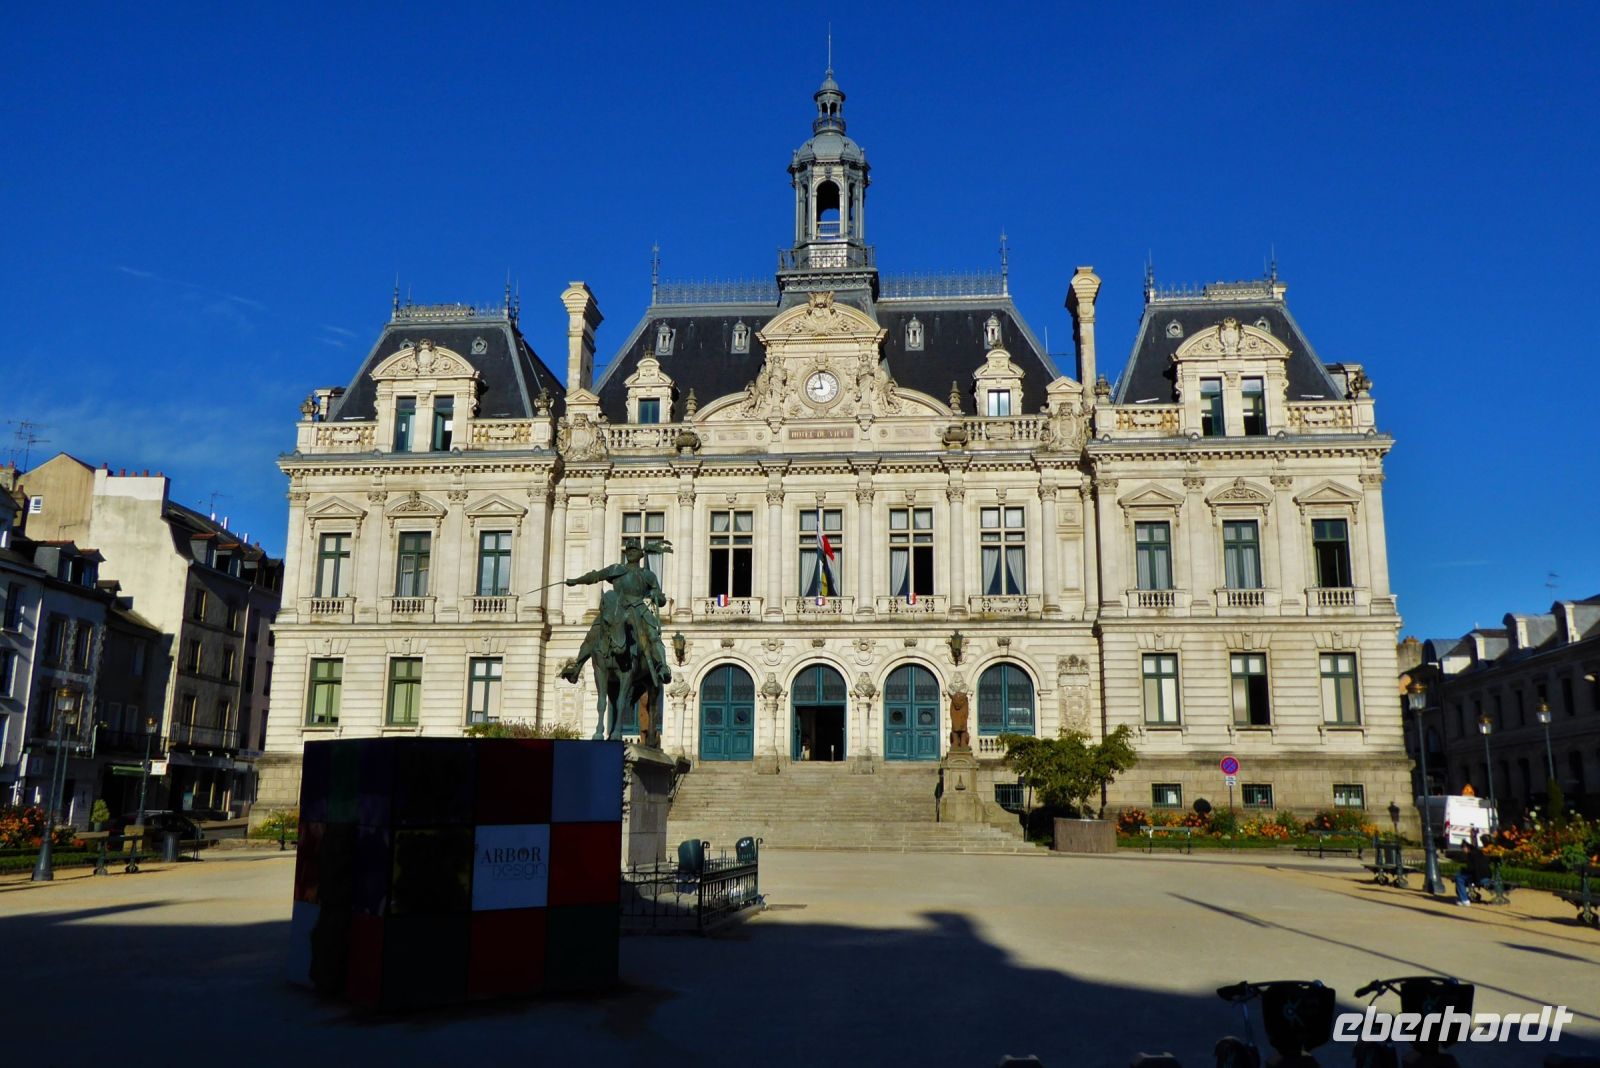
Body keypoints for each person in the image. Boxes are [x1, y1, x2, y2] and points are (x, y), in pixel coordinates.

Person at [560, 541, 672, 689]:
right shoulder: (616, 569)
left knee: (653, 636)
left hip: (639, 609)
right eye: (628, 549)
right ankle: (577, 666)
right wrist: (576, 581)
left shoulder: (648, 575)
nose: (630, 552)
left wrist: (656, 596)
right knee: (594, 632)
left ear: (641, 554)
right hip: (617, 609)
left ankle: (662, 667)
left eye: (634, 549)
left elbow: (661, 597)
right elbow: (595, 576)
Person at [1455, 833, 1492, 906]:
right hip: (1486, 875)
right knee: (1462, 876)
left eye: (1463, 848)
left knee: (1459, 878)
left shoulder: (1471, 854)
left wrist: (1463, 870)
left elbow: (1472, 869)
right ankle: (1464, 897)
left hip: (1479, 877)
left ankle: (1464, 900)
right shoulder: (1478, 852)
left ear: (1466, 847)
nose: (1463, 850)